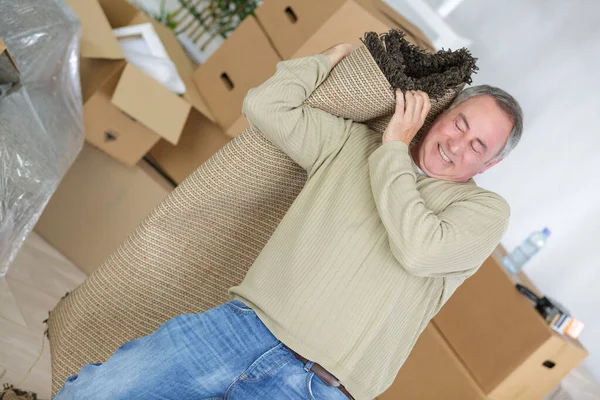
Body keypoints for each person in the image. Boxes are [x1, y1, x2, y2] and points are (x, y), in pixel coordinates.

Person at [54, 43, 523, 400]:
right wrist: (328, 57)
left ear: (490, 165)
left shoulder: (483, 212)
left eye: (479, 145)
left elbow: (419, 248)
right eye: (461, 123)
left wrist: (396, 147)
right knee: (91, 392)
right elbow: (267, 107)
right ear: (442, 111)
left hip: (315, 388)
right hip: (238, 329)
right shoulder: (348, 146)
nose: (459, 145)